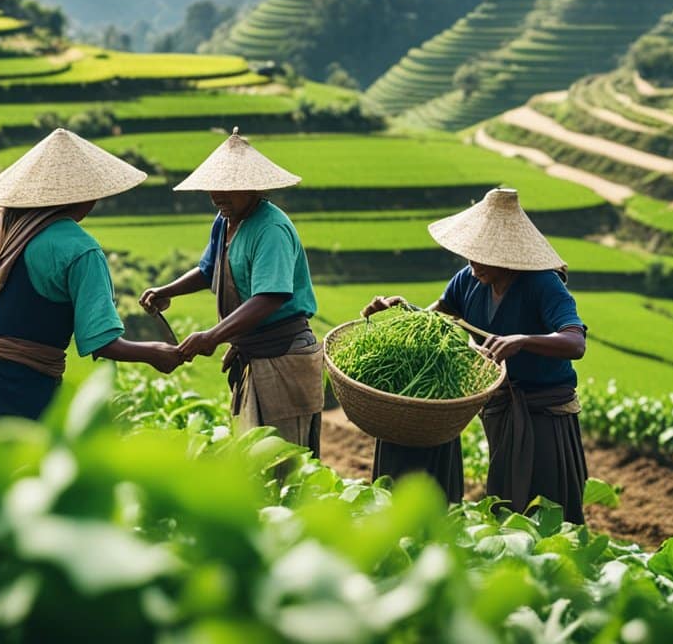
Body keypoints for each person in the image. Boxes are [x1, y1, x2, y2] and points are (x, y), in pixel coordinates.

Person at [361, 188, 588, 521]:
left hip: (543, 416)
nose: (473, 263)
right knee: (504, 502)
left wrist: (522, 340)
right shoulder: (468, 281)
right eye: (470, 254)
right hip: (499, 410)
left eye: (482, 256)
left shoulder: (543, 285)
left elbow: (574, 341)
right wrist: (399, 309)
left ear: (506, 254)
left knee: (544, 505)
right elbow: (434, 319)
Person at [0, 128, 185, 419]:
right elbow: (101, 342)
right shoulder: (80, 250)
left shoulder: (4, 227)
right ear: (87, 196)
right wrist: (156, 352)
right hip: (22, 396)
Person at [140, 128, 324, 455]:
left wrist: (212, 336)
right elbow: (210, 269)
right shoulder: (225, 221)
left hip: (282, 357)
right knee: (253, 459)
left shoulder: (271, 229)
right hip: (254, 352)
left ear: (252, 187)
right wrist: (167, 290)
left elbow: (271, 296)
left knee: (284, 462)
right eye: (213, 188)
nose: (217, 196)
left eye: (227, 189)